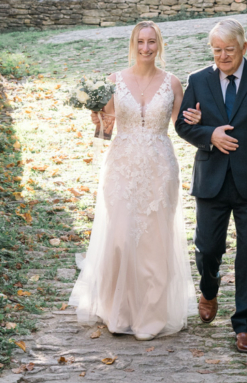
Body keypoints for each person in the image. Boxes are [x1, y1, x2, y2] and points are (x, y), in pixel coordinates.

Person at [69, 20, 196, 338]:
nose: (146, 48)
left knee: (154, 241)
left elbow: (183, 127)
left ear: (159, 45)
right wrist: (96, 117)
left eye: (152, 42)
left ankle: (150, 317)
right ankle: (120, 312)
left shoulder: (173, 83)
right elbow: (105, 132)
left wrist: (197, 119)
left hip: (159, 168)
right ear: (133, 44)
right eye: (141, 42)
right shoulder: (114, 81)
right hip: (122, 167)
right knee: (122, 237)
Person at [175, 18, 247, 354]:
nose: (222, 56)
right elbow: (183, 125)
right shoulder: (198, 80)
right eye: (216, 50)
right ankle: (209, 289)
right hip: (211, 177)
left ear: (244, 47)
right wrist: (208, 135)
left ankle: (245, 324)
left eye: (228, 49)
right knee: (207, 247)